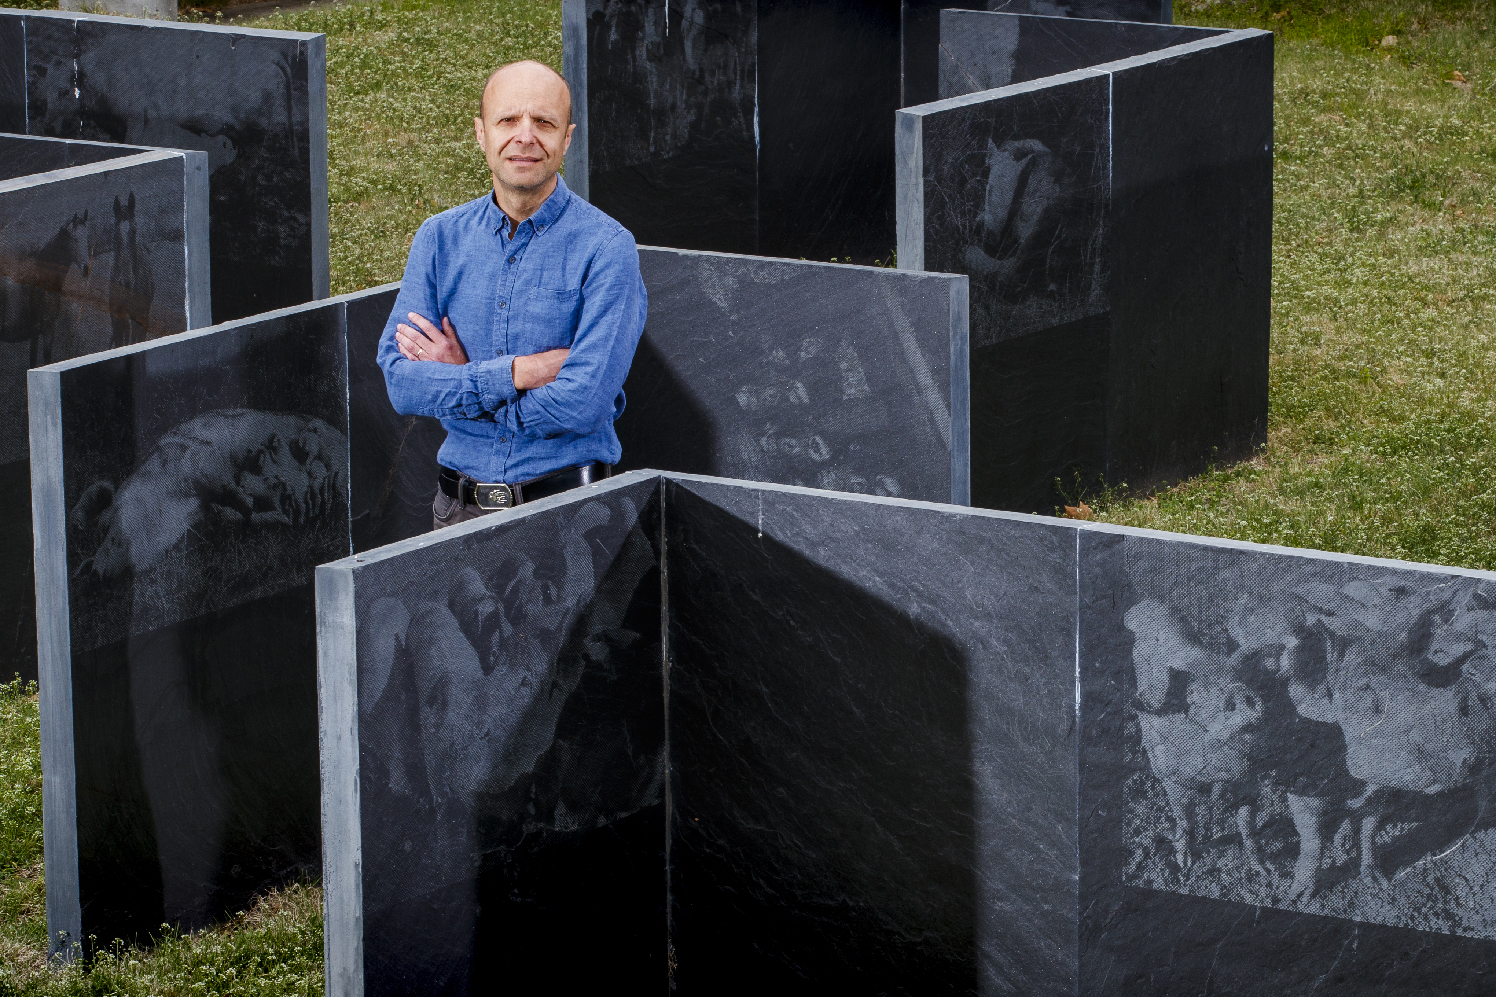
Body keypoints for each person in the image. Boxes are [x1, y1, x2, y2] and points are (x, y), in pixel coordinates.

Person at [378, 60, 647, 530]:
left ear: (567, 138)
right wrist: (523, 371)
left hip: (571, 518)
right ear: (481, 134)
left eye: (544, 122)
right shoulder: (439, 239)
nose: (525, 136)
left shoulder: (608, 248)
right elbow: (402, 383)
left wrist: (463, 382)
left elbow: (582, 403)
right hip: (453, 515)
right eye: (508, 120)